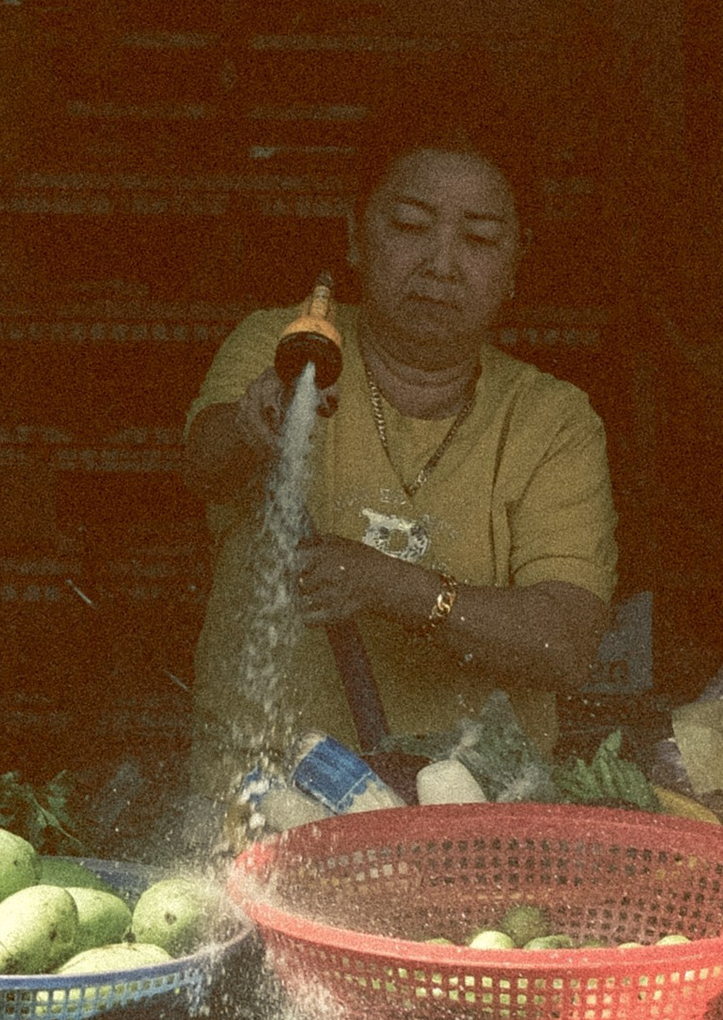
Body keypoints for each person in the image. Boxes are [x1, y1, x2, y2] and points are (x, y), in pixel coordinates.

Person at [182, 130, 615, 817]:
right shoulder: (292, 349)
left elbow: (564, 642)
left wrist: (388, 584)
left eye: (478, 239)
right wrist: (250, 425)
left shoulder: (551, 420)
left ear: (516, 264)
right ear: (356, 237)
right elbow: (202, 466)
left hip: (474, 822)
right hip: (270, 807)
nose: (441, 264)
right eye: (410, 227)